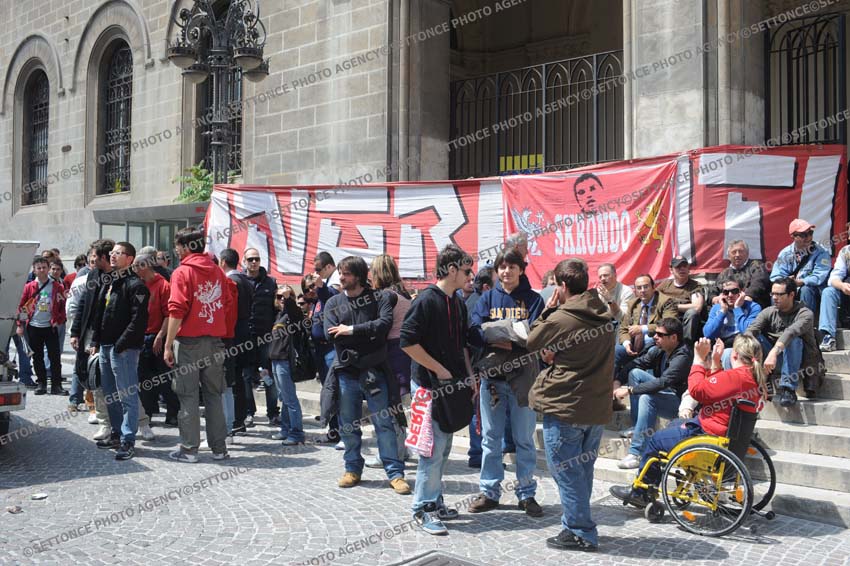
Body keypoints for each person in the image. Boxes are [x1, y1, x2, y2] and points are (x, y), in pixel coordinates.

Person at [610, 334, 765, 508]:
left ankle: (641, 492)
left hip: (708, 435)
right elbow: (716, 390)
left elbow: (697, 391)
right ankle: (677, 480)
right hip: (722, 434)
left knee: (655, 440)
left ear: (734, 355)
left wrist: (698, 360)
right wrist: (715, 363)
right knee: (674, 424)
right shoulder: (751, 379)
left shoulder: (735, 376)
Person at [527, 257, 614, 552]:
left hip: (567, 407)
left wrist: (548, 309)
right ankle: (574, 524)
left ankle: (581, 531)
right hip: (594, 408)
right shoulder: (602, 313)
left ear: (562, 285)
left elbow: (532, 340)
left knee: (566, 472)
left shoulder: (562, 317)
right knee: (582, 471)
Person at [401, 244, 475, 535]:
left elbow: (463, 345)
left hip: (452, 386)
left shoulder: (457, 302)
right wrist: (438, 369)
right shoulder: (426, 300)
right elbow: (407, 342)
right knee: (431, 450)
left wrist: (470, 377)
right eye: (466, 271)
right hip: (427, 386)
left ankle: (435, 500)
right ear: (452, 270)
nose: (470, 276)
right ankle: (423, 508)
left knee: (443, 449)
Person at [323, 256, 410, 494]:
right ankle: (352, 468)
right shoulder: (333, 303)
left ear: (360, 276)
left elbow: (383, 326)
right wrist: (365, 334)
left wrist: (350, 330)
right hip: (346, 373)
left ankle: (395, 473)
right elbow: (329, 333)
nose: (341, 277)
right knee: (348, 424)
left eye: (347, 273)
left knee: (384, 423)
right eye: (340, 272)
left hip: (375, 371)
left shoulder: (379, 298)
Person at [468, 247, 545, 517]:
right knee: (491, 440)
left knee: (524, 440)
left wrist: (497, 331)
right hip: (493, 379)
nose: (506, 271)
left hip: (524, 379)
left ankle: (526, 494)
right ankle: (490, 492)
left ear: (521, 270)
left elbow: (534, 335)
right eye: (502, 267)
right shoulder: (487, 298)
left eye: (512, 266)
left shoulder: (533, 300)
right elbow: (475, 331)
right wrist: (511, 333)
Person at [164, 227, 237, 463]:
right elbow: (227, 303)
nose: (176, 250)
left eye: (177, 246)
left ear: (186, 247)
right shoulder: (217, 271)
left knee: (188, 396)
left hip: (189, 343)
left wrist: (167, 344)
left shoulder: (182, 272)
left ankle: (189, 449)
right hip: (215, 341)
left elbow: (176, 310)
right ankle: (219, 448)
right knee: (214, 395)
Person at [89, 242, 150, 460]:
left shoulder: (136, 285)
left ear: (130, 259)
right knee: (110, 395)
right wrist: (95, 340)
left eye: (118, 253)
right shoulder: (110, 282)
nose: (112, 256)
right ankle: (116, 433)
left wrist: (121, 345)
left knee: (127, 395)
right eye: (112, 253)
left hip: (123, 349)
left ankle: (128, 439)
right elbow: (101, 313)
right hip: (106, 346)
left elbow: (139, 320)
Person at [613, 318, 691, 469]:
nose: (655, 337)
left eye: (660, 335)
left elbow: (663, 382)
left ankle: (637, 453)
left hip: (680, 403)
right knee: (635, 373)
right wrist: (617, 381)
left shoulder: (683, 356)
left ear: (673, 337)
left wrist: (629, 390)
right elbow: (636, 363)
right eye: (655, 333)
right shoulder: (659, 349)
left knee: (647, 398)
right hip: (666, 393)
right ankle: (637, 426)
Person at [365, 254, 412, 468]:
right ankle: (400, 449)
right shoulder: (402, 294)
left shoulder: (386, 296)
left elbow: (380, 327)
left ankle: (392, 453)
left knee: (389, 406)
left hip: (391, 353)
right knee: (396, 406)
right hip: (403, 352)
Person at [747, 277, 817, 407]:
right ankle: (760, 381)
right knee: (754, 339)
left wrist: (774, 352)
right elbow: (751, 330)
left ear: (791, 295)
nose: (774, 297)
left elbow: (791, 332)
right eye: (773, 293)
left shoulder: (805, 314)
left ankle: (788, 389)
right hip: (774, 360)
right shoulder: (768, 311)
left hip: (800, 362)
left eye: (779, 294)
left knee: (793, 340)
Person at [70, 239, 115, 441]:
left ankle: (141, 422)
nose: (92, 258)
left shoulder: (120, 277)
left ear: (104, 257)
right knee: (95, 378)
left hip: (111, 336)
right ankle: (104, 422)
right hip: (90, 335)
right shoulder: (92, 275)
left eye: (95, 255)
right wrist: (75, 332)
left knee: (122, 382)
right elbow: (83, 305)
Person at [134, 253, 178, 432]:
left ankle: (173, 412)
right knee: (144, 379)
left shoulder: (163, 285)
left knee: (164, 378)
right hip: (141, 337)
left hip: (158, 336)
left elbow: (169, 314)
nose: (134, 269)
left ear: (145, 266)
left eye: (137, 266)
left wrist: (160, 336)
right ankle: (149, 412)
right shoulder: (138, 285)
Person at [614, 275, 678, 390]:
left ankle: (650, 391)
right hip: (634, 345)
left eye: (645, 287)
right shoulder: (633, 304)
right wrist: (627, 343)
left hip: (655, 343)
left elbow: (669, 324)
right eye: (639, 288)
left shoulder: (666, 301)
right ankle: (612, 390)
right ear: (635, 290)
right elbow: (624, 328)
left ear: (653, 287)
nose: (642, 290)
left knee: (652, 352)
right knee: (615, 351)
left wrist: (643, 328)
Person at [16, 256, 66, 395]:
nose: (42, 270)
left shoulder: (57, 286)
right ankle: (41, 383)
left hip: (51, 327)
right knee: (37, 357)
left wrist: (59, 320)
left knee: (54, 357)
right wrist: (20, 324)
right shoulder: (29, 287)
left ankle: (56, 385)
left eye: (44, 267)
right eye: (39, 268)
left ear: (48, 268)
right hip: (34, 326)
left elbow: (63, 307)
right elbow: (21, 307)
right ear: (34, 270)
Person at [242, 248, 280, 427]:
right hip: (246, 338)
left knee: (268, 376)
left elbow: (277, 308)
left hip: (266, 337)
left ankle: (273, 413)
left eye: (256, 259)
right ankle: (249, 413)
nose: (254, 262)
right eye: (250, 259)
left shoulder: (271, 283)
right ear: (244, 261)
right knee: (246, 376)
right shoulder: (239, 281)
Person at [219, 248, 254, 434]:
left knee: (233, 379)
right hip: (243, 331)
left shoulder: (231, 281)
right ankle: (239, 418)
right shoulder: (245, 280)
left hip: (234, 333)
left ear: (223, 262)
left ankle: (236, 419)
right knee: (238, 378)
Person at [269, 285, 307, 445]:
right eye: (279, 297)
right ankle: (285, 429)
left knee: (290, 399)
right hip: (275, 360)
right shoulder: (279, 315)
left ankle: (297, 433)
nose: (282, 300)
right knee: (284, 398)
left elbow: (296, 314)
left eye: (287, 296)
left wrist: (288, 300)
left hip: (285, 360)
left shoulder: (293, 315)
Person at [769, 219, 831, 313]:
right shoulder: (785, 253)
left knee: (806, 290)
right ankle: (778, 320)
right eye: (803, 235)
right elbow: (775, 275)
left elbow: (819, 276)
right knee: (778, 291)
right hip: (790, 287)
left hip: (812, 289)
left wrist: (801, 282)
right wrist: (786, 281)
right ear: (793, 236)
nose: (808, 237)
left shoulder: (821, 252)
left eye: (810, 233)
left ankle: (806, 320)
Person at [703, 275, 762, 367]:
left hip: (746, 346)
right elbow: (708, 334)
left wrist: (737, 308)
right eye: (726, 292)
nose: (730, 295)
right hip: (724, 347)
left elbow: (748, 332)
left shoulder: (753, 307)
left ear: (742, 292)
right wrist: (722, 312)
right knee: (727, 353)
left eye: (734, 291)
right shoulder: (717, 308)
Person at [655, 256, 704, 344]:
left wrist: (674, 306)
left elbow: (697, 307)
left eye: (684, 266)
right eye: (678, 267)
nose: (682, 269)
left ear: (688, 268)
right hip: (667, 319)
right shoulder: (665, 285)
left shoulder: (695, 285)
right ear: (671, 270)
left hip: (685, 321)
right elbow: (653, 299)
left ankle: (686, 345)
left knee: (692, 313)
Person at [709, 240, 772, 308]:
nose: (737, 255)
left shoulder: (757, 266)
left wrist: (748, 296)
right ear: (729, 256)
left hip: (753, 307)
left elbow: (759, 283)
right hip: (728, 310)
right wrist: (714, 298)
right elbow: (713, 290)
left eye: (741, 251)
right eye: (734, 252)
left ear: (747, 254)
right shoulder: (724, 273)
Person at [818, 243, 850, 352]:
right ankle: (828, 336)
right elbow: (833, 278)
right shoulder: (846, 251)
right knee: (828, 292)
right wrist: (842, 286)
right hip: (847, 292)